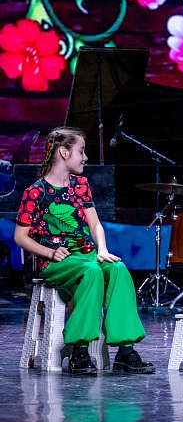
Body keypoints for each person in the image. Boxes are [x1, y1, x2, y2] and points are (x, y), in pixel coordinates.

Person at [14, 127, 154, 375]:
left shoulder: (80, 185)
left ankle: (125, 350)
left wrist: (102, 249)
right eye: (81, 151)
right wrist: (49, 252)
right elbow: (20, 237)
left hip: (85, 253)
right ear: (64, 152)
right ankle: (79, 351)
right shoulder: (35, 192)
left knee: (118, 268)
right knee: (92, 272)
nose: (85, 157)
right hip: (56, 260)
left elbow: (95, 224)